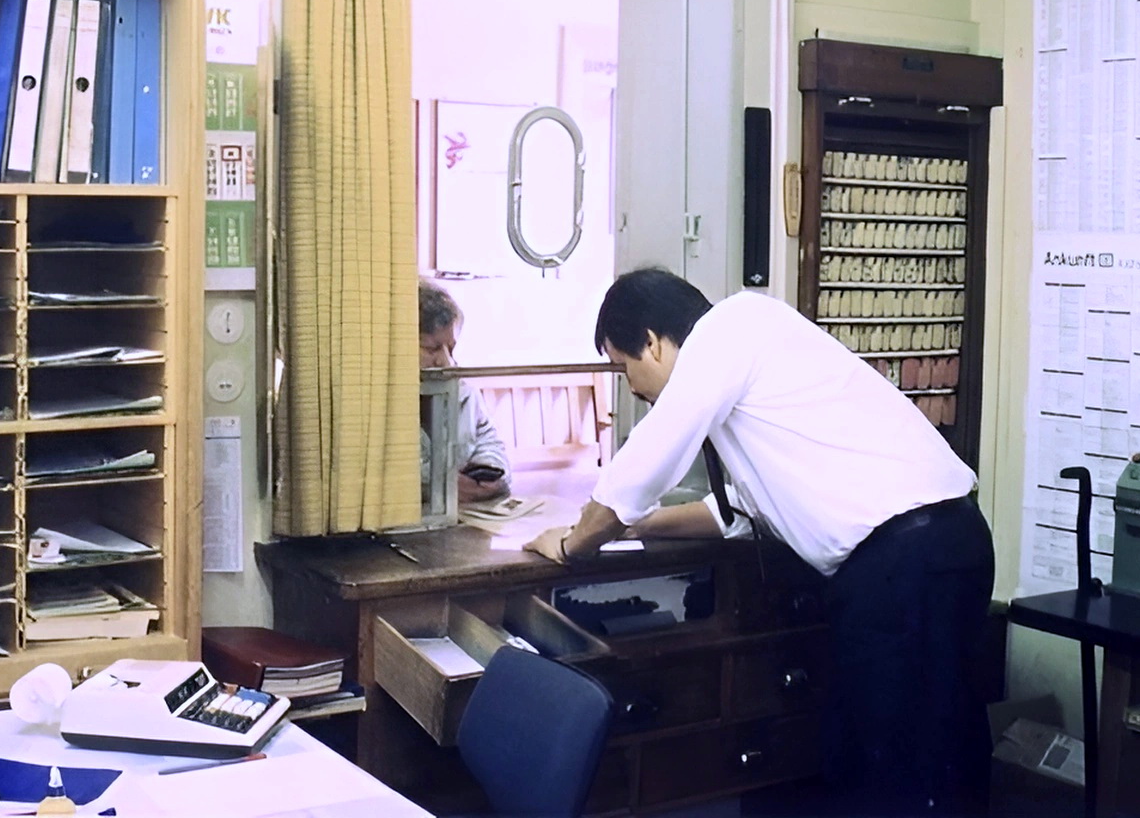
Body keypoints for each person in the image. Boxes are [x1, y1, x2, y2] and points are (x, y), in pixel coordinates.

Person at [525, 268, 994, 818]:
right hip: (947, 543)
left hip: (902, 563)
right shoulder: (752, 364)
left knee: (890, 762)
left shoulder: (730, 330)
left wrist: (572, 543)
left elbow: (642, 466)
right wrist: (639, 526)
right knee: (937, 741)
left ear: (651, 341)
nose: (629, 387)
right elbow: (738, 515)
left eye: (623, 367)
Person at [419, 279, 511, 503]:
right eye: (431, 349)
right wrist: (437, 486)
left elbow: (489, 441)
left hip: (462, 514)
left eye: (451, 348)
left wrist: (489, 472)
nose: (446, 361)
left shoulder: (464, 393)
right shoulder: (375, 399)